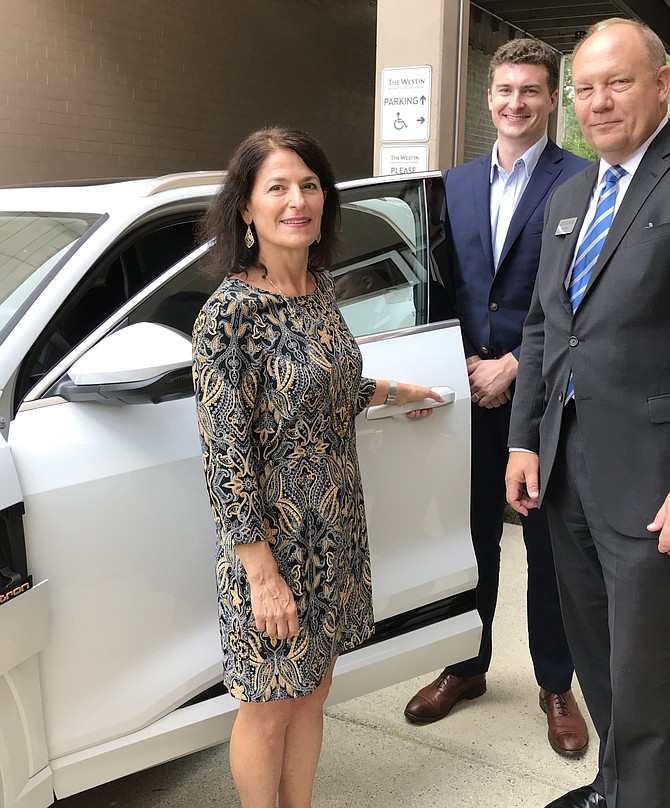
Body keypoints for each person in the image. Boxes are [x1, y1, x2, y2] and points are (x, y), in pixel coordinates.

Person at [192, 126, 440, 808]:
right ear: (246, 208)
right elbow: (225, 453)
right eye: (277, 187)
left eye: (309, 185)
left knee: (316, 688)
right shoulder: (228, 316)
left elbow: (319, 392)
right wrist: (262, 576)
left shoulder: (318, 290)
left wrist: (394, 392)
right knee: (268, 704)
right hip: (272, 546)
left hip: (336, 530)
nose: (296, 200)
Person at [404, 38, 591, 759]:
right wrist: (456, 365)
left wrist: (513, 364)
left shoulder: (582, 180)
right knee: (470, 537)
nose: (516, 103)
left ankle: (554, 683)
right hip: (464, 398)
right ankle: (466, 663)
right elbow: (439, 288)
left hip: (544, 398)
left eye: (532, 92)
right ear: (489, 98)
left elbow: (583, 294)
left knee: (547, 546)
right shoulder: (450, 183)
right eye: (505, 90)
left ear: (552, 100)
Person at [506, 18, 670, 808]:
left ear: (663, 84)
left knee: (651, 663)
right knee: (597, 647)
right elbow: (544, 328)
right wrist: (524, 441)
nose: (598, 102)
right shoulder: (572, 195)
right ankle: (616, 785)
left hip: (650, 478)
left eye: (619, 82)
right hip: (567, 470)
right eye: (586, 88)